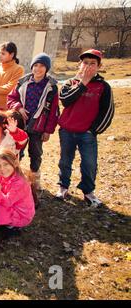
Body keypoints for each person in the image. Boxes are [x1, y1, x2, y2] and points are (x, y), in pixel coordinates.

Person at [56, 49, 114, 207]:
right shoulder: (70, 83)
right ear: (79, 65)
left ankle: (88, 191)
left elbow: (107, 112)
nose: (88, 66)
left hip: (87, 133)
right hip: (67, 130)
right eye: (85, 63)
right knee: (65, 160)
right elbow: (65, 100)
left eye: (93, 63)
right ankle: (63, 186)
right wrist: (83, 83)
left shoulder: (103, 87)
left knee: (89, 163)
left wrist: (93, 130)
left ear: (99, 66)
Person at [7, 53, 59, 190]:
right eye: (35, 65)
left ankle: (34, 179)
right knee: (17, 151)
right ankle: (14, 177)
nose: (38, 69)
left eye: (42, 66)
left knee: (35, 153)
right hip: (21, 124)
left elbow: (53, 111)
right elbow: (11, 98)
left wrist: (48, 130)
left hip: (39, 125)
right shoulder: (23, 82)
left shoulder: (51, 87)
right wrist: (19, 108)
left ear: (46, 68)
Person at [0, 148, 35, 237]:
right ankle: (4, 222)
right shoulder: (0, 176)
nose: (2, 169)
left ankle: (12, 226)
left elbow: (7, 202)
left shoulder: (20, 183)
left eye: (6, 164)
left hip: (21, 214)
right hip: (9, 205)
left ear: (14, 163)